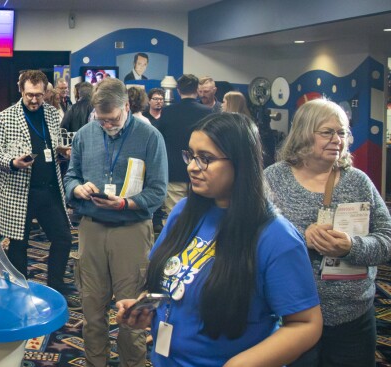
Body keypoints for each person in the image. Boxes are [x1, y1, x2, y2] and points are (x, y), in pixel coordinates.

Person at [117, 113, 323, 366]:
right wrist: (149, 309)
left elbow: (306, 324)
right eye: (191, 156)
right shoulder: (183, 213)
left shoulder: (276, 236)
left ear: (240, 162)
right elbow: (175, 286)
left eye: (206, 159)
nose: (192, 166)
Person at [266, 99, 391, 366]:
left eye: (342, 132)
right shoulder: (273, 179)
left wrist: (351, 247)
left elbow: (386, 240)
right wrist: (301, 238)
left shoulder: (358, 181)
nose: (338, 139)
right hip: (291, 315)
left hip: (353, 316)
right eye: (327, 132)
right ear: (303, 132)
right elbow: (253, 237)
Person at [63, 78, 167, 367]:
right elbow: (71, 175)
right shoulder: (85, 134)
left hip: (131, 230)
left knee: (131, 313)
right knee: (92, 309)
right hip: (92, 228)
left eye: (113, 119)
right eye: (101, 119)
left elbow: (158, 191)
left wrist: (125, 203)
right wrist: (76, 188)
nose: (107, 125)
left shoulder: (149, 137)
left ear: (127, 107)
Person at [0, 70, 72, 294]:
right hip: (18, 193)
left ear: (46, 92)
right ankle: (19, 290)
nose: (34, 100)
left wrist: (61, 150)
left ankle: (55, 285)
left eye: (38, 95)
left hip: (50, 190)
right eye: (29, 95)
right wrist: (13, 162)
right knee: (18, 245)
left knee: (63, 238)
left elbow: (51, 145)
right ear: (21, 91)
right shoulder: (6, 117)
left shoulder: (53, 115)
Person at [155, 74, 212, 221]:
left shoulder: (167, 112)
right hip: (201, 171)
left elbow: (160, 139)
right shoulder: (208, 113)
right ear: (197, 90)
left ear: (178, 90)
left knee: (174, 217)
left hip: (174, 171)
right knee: (200, 216)